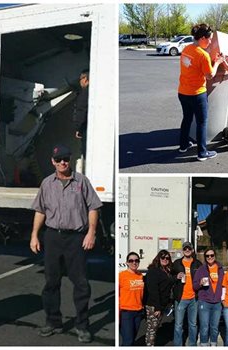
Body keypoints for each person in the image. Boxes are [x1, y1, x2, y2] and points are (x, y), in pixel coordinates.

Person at [30, 144, 102, 343]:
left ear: (70, 160)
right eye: (59, 159)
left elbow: (93, 207)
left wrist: (91, 233)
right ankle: (53, 322)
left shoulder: (81, 181)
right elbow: (40, 210)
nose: (63, 162)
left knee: (80, 283)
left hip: (76, 238)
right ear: (53, 161)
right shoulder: (46, 183)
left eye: (66, 159)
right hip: (53, 236)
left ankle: (82, 326)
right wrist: (34, 235)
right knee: (51, 282)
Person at [178, 23, 224, 161]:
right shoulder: (202, 55)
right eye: (209, 39)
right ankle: (202, 153)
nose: (210, 42)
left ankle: (183, 145)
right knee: (201, 122)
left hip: (183, 92)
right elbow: (210, 75)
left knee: (186, 119)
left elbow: (192, 66)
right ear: (203, 38)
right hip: (197, 94)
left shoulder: (186, 49)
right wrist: (217, 62)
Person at [172, 241, 202, 346]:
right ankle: (178, 345)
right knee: (178, 325)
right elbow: (170, 278)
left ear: (193, 250)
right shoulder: (176, 263)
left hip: (194, 298)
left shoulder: (198, 263)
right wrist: (176, 277)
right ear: (182, 250)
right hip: (181, 298)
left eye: (189, 248)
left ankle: (192, 345)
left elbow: (202, 277)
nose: (187, 250)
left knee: (193, 324)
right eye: (185, 249)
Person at [193, 247, 224, 346]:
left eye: (212, 255)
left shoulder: (220, 268)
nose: (210, 257)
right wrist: (200, 283)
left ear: (215, 256)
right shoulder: (201, 269)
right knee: (204, 326)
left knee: (214, 326)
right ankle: (204, 344)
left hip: (217, 302)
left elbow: (223, 285)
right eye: (207, 256)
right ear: (205, 257)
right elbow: (195, 286)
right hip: (204, 301)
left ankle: (213, 344)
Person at [144, 250, 175, 346]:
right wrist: (157, 307)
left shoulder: (166, 271)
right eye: (163, 257)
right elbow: (153, 291)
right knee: (152, 330)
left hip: (162, 305)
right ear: (158, 258)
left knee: (155, 328)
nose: (165, 260)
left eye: (167, 258)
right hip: (154, 305)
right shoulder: (153, 271)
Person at [119, 252, 144, 346]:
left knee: (132, 339)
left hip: (138, 311)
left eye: (136, 260)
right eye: (131, 261)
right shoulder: (121, 276)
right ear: (127, 263)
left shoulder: (140, 276)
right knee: (128, 341)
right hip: (126, 312)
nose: (134, 263)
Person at [73, 70, 89, 158]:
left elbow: (81, 111)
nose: (80, 82)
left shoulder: (84, 93)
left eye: (80, 79)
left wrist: (78, 128)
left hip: (86, 128)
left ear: (85, 79)